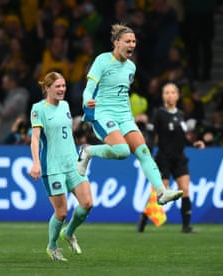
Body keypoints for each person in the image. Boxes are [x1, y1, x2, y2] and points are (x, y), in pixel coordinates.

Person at [78, 23, 183, 205]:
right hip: (103, 114)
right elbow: (89, 89)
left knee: (143, 151)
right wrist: (87, 101)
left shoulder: (131, 67)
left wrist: (130, 117)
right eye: (128, 41)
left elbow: (123, 93)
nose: (132, 45)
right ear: (116, 42)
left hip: (124, 116)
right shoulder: (102, 60)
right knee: (122, 151)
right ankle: (88, 151)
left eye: (134, 41)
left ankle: (161, 192)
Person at [29, 72, 93, 262]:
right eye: (57, 86)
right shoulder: (38, 109)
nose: (62, 89)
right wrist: (35, 162)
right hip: (53, 167)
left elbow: (65, 134)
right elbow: (35, 138)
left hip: (72, 164)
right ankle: (52, 246)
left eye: (63, 86)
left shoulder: (65, 106)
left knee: (88, 203)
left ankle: (69, 232)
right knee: (62, 212)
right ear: (47, 88)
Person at [137, 82, 205, 233]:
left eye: (173, 92)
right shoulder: (158, 113)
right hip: (164, 159)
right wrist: (148, 153)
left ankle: (186, 226)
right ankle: (143, 218)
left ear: (178, 95)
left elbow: (183, 137)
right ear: (162, 96)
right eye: (166, 92)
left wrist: (194, 143)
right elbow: (152, 135)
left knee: (185, 189)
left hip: (180, 158)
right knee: (160, 194)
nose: (170, 95)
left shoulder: (181, 115)